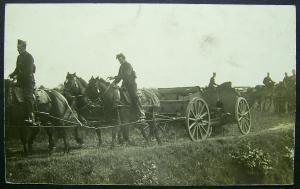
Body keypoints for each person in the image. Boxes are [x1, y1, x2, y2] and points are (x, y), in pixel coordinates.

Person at [108, 53, 146, 122]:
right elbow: (119, 78)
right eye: (118, 60)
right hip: (125, 85)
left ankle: (141, 112)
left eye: (120, 59)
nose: (119, 61)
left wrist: (114, 77)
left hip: (131, 85)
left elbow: (126, 75)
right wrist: (113, 83)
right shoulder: (121, 67)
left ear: (124, 58)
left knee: (134, 96)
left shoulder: (128, 65)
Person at [9, 39, 37, 125]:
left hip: (28, 82)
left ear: (24, 47)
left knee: (27, 96)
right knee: (10, 90)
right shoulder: (19, 57)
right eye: (17, 47)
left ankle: (31, 117)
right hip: (20, 82)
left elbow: (29, 71)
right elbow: (17, 69)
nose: (17, 49)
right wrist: (12, 75)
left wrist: (18, 76)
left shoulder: (29, 57)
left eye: (19, 47)